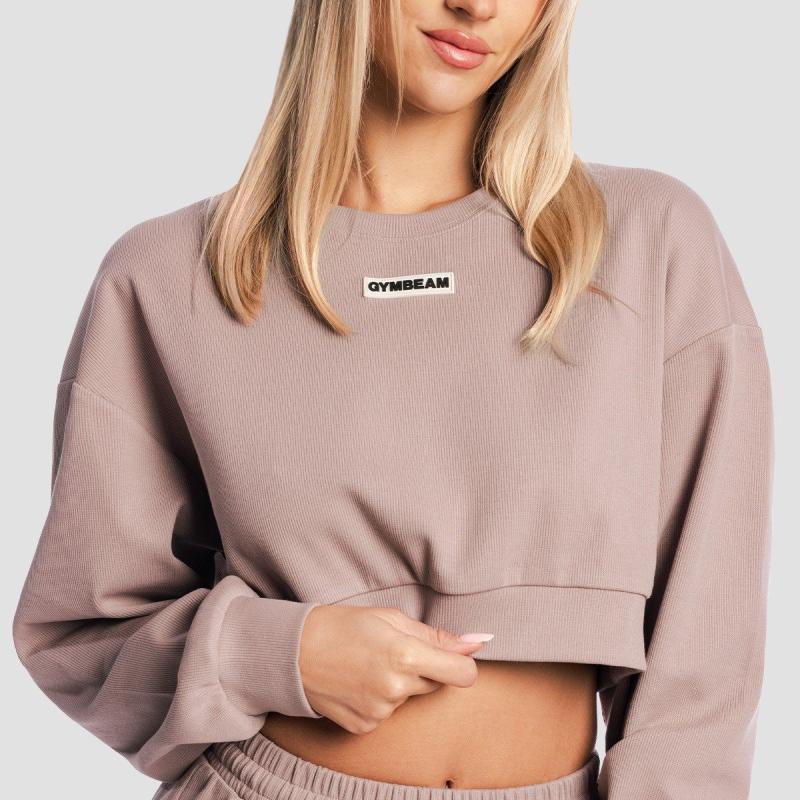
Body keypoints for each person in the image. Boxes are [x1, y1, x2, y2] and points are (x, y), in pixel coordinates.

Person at [12, 1, 773, 799]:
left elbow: (706, 659)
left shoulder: (648, 239)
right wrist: (281, 652)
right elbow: (79, 638)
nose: (478, 6)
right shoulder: (170, 275)